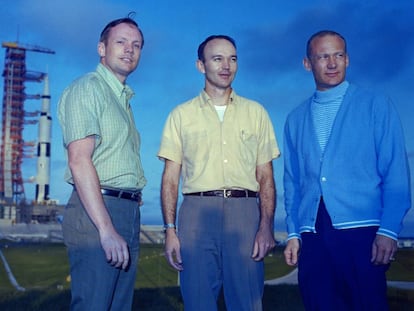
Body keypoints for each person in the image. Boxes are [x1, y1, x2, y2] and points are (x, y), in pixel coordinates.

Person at [283, 30, 411, 311]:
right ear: (308, 64)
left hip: (363, 233)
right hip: (312, 234)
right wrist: (293, 232)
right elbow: (292, 183)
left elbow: (396, 173)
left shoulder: (376, 105)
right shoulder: (294, 119)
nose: (332, 63)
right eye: (323, 56)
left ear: (348, 59)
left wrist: (389, 230)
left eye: (338, 55)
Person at [158, 35, 280, 311]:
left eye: (232, 58)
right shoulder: (181, 115)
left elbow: (266, 177)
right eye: (217, 59)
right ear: (201, 66)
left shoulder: (256, 112)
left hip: (245, 214)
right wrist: (170, 230)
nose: (227, 65)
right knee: (198, 301)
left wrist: (266, 226)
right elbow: (170, 179)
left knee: (247, 301)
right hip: (197, 214)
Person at [58, 14, 146, 311]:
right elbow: (79, 161)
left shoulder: (122, 99)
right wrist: (106, 229)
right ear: (101, 48)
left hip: (125, 210)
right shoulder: (88, 88)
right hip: (97, 212)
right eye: (120, 42)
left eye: (136, 45)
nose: (129, 49)